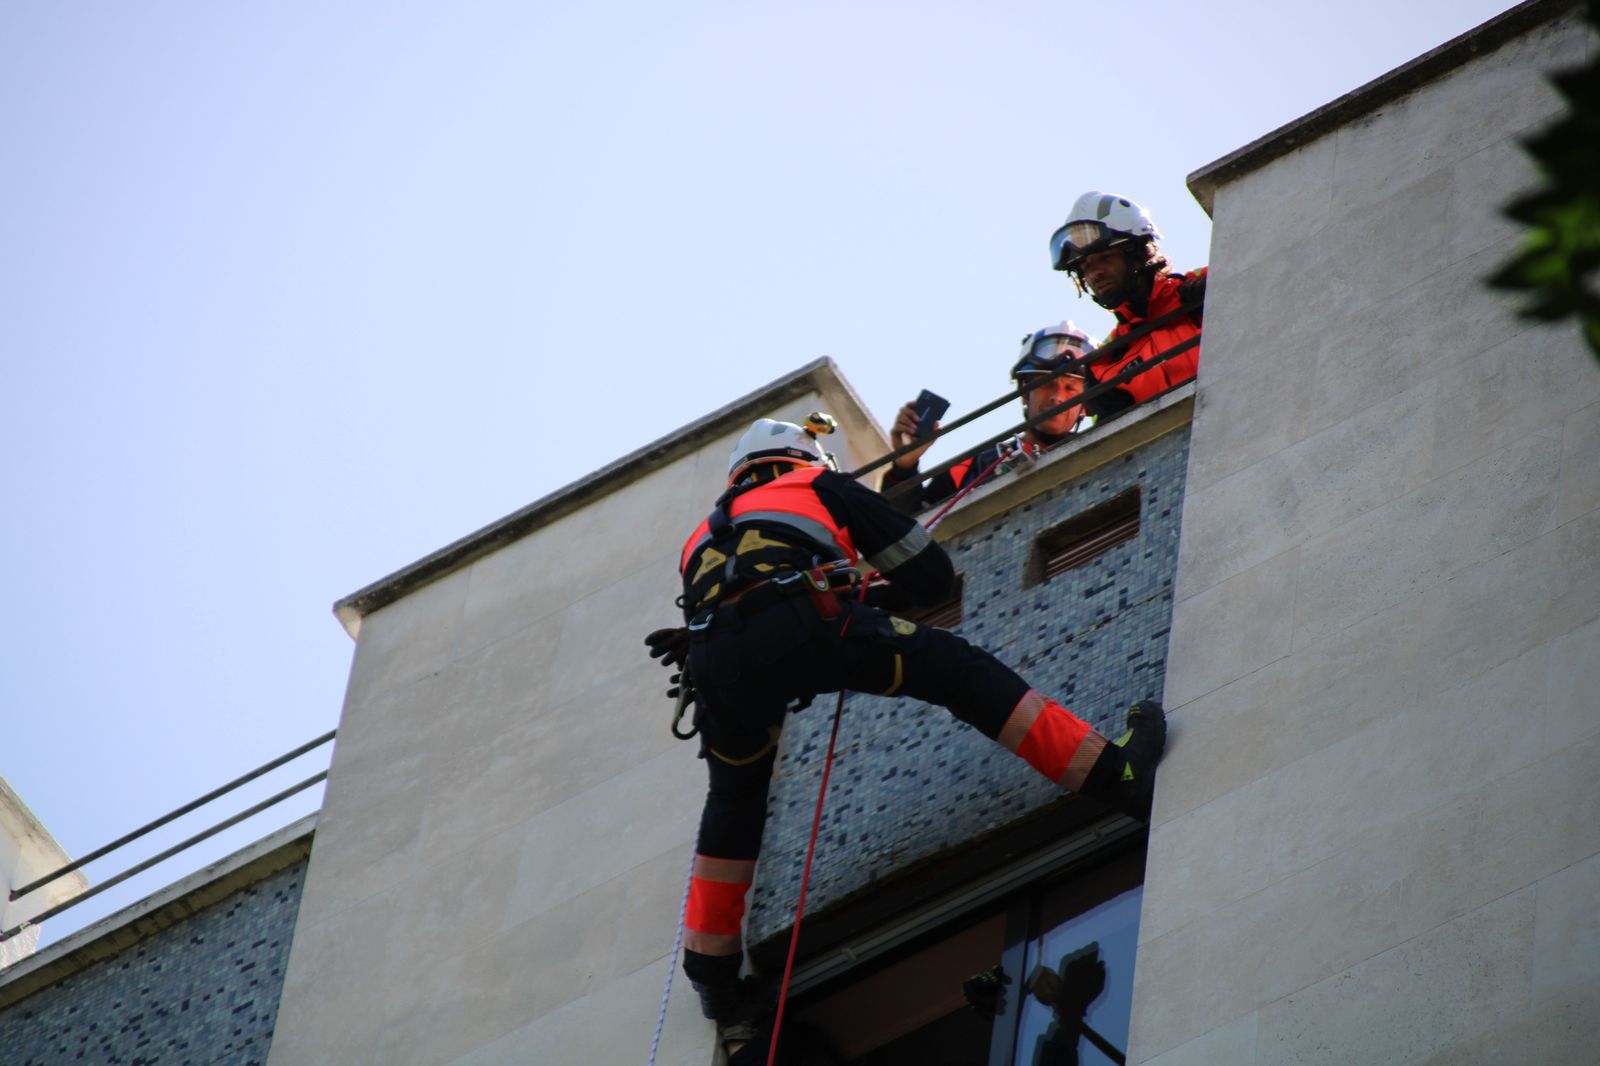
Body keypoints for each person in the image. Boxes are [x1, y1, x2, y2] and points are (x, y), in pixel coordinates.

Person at [645, 415, 1166, 1059]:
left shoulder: (701, 534)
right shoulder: (821, 486)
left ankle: (714, 979)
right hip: (803, 626)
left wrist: (845, 589)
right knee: (956, 670)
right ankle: (1114, 774)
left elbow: (738, 593)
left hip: (715, 662)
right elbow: (930, 578)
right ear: (804, 459)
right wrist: (863, 584)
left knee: (734, 800)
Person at [882, 322, 1098, 512]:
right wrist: (904, 468)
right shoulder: (972, 467)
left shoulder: (1098, 454)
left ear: (1085, 407)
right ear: (1025, 392)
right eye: (1046, 384)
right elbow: (903, 532)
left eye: (1070, 388)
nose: (1057, 397)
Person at [1049, 191, 1206, 416]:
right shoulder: (1103, 364)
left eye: (1105, 258)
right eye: (1085, 266)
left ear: (1136, 253)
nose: (1095, 274)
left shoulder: (1204, 285)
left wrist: (1216, 292)